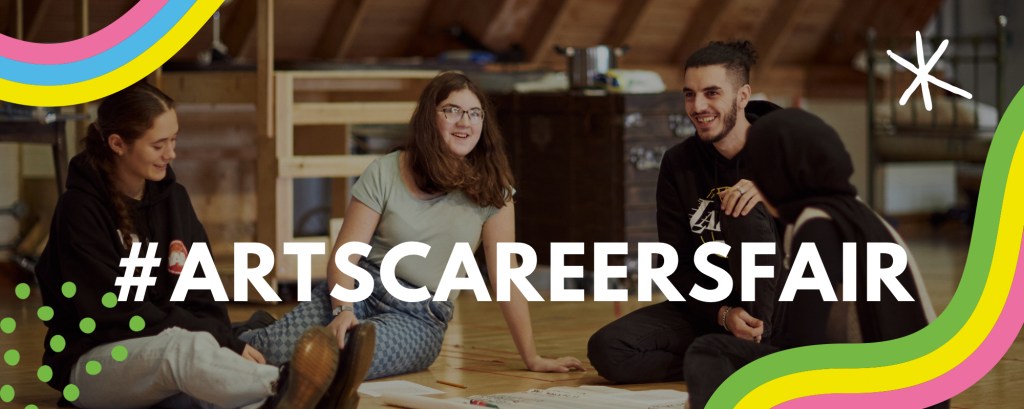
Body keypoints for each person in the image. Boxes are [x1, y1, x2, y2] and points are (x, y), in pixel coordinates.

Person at [240, 72, 584, 394]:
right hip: (360, 289)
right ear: (429, 117)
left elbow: (506, 280)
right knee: (258, 351)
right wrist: (342, 309)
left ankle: (271, 344)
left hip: (420, 316)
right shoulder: (386, 169)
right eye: (452, 110)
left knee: (330, 365)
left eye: (475, 113)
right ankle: (256, 333)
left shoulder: (495, 191)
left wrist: (532, 357)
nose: (465, 122)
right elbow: (346, 253)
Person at [34, 82, 342, 409]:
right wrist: (217, 341)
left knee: (209, 393)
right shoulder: (79, 210)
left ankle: (282, 398)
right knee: (184, 349)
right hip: (94, 361)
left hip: (167, 358)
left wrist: (221, 339)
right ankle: (291, 389)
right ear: (117, 144)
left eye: (174, 140)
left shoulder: (173, 199)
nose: (172, 154)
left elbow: (203, 294)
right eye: (158, 145)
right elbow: (119, 315)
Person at [682, 108, 939, 408]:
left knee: (710, 351)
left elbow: (800, 348)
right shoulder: (852, 211)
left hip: (887, 393)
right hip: (916, 390)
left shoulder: (818, 225)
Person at [588, 40, 784, 383]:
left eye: (711, 93)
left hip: (781, 309)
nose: (698, 106)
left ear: (742, 96)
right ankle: (725, 357)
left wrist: (772, 193)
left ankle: (758, 350)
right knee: (608, 349)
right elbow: (674, 265)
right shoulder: (678, 163)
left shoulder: (789, 147)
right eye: (689, 94)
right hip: (716, 311)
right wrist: (723, 315)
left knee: (739, 207)